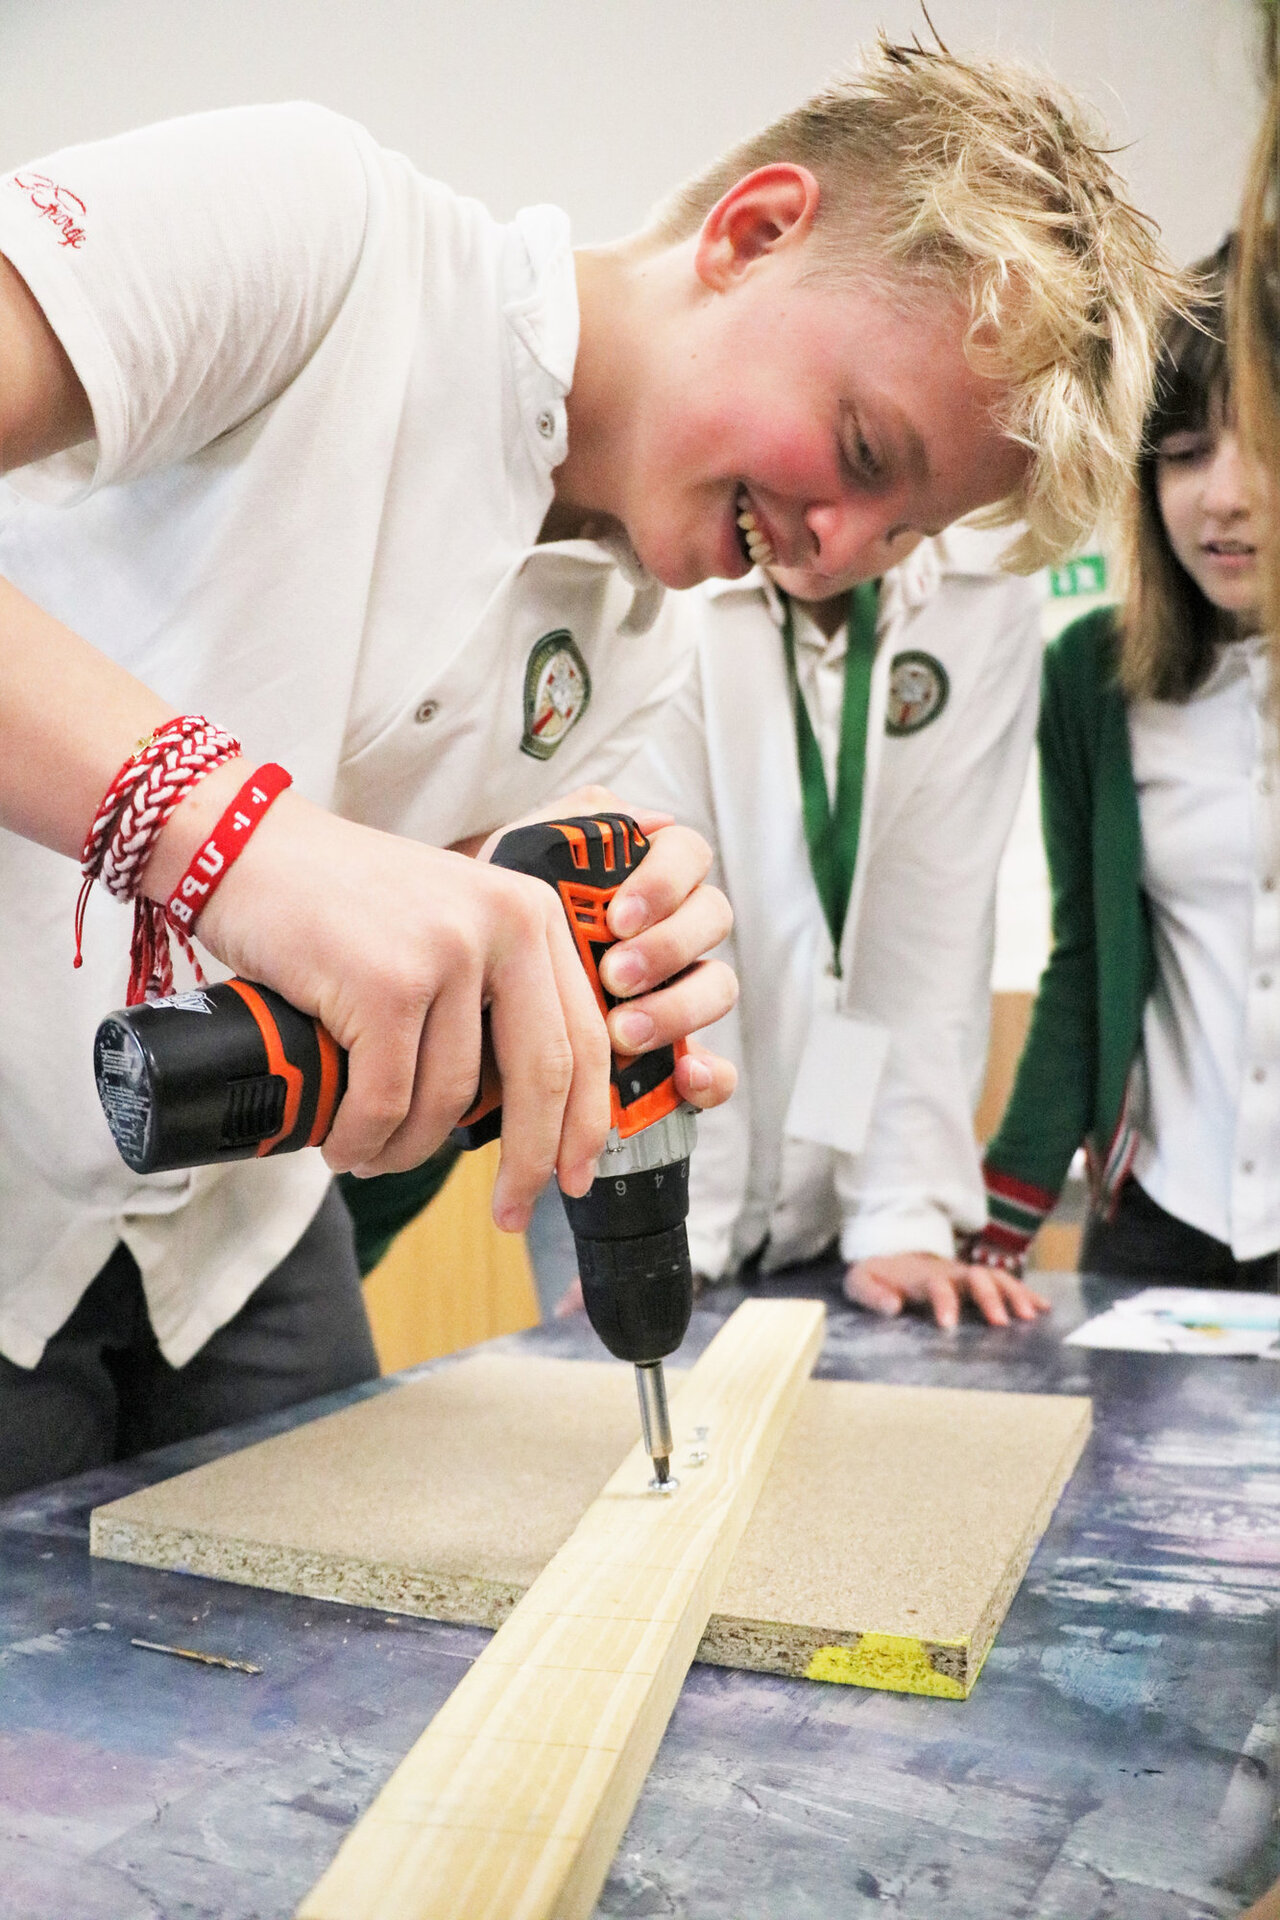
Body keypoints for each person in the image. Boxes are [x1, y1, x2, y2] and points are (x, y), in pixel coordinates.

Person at [0, 38, 1173, 1493]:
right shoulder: (318, 231)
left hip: (229, 1241)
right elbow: (278, 872)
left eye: (904, 533)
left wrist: (529, 990)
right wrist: (240, 841)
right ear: (754, 232)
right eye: (867, 451)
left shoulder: (640, 653)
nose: (838, 554)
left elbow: (393, 963)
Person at [606, 525, 1054, 1329]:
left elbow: (926, 928)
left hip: (832, 1212)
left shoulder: (988, 583)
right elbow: (658, 935)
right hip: (636, 1173)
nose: (831, 528)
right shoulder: (655, 568)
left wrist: (902, 1212)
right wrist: (675, 1227)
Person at [970, 243, 1280, 1288]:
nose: (1222, 496)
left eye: (1265, 444)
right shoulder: (1091, 680)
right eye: (1184, 453)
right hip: (1161, 1225)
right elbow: (1084, 965)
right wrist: (1000, 1220)